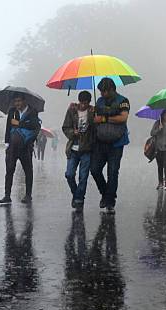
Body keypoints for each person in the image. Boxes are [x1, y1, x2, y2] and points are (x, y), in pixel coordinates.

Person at [91, 77, 131, 213]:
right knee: (95, 169)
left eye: (105, 91)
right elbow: (94, 117)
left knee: (112, 172)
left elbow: (123, 117)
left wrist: (104, 118)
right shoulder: (100, 101)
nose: (102, 94)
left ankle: (110, 201)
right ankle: (105, 194)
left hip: (117, 143)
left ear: (112, 89)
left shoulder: (123, 101)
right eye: (101, 91)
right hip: (100, 142)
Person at [0, 93, 41, 205]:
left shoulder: (32, 112)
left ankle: (28, 195)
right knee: (9, 170)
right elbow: (9, 127)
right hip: (12, 146)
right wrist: (7, 143)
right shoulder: (12, 111)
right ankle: (7, 195)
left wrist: (19, 123)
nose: (17, 103)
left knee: (28, 170)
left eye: (19, 101)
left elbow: (35, 126)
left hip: (25, 146)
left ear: (24, 101)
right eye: (15, 101)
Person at [62, 90, 95, 211]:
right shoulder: (72, 110)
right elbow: (65, 127)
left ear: (89, 102)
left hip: (87, 149)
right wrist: (72, 132)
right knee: (69, 174)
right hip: (73, 148)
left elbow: (96, 129)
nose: (83, 105)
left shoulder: (92, 112)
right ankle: (76, 194)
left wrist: (94, 119)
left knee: (83, 176)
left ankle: (79, 199)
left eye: (85, 103)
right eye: (81, 102)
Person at [151, 110, 166, 190]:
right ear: (162, 115)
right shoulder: (157, 123)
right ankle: (160, 183)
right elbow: (152, 133)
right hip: (158, 148)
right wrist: (158, 129)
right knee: (160, 166)